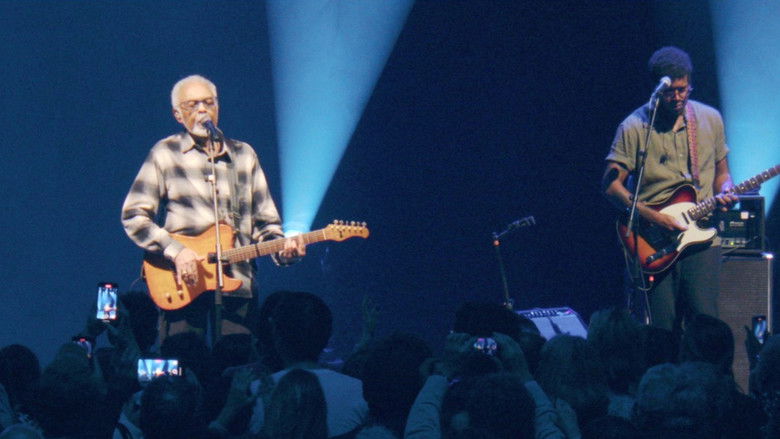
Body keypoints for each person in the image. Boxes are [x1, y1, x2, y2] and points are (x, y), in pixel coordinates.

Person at [121, 74, 305, 338]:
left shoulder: (243, 155)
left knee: (238, 365)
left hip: (238, 283)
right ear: (177, 114)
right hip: (182, 283)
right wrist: (175, 250)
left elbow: (266, 223)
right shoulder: (165, 153)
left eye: (208, 103)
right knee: (184, 362)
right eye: (192, 105)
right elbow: (134, 215)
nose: (202, 110)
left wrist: (284, 251)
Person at [602, 46, 737, 332]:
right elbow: (611, 187)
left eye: (683, 89)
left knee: (706, 326)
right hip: (654, 241)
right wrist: (655, 217)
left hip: (702, 239)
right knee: (663, 331)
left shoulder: (710, 119)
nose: (677, 97)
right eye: (670, 91)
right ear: (656, 89)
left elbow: (723, 172)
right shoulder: (634, 127)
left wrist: (726, 188)